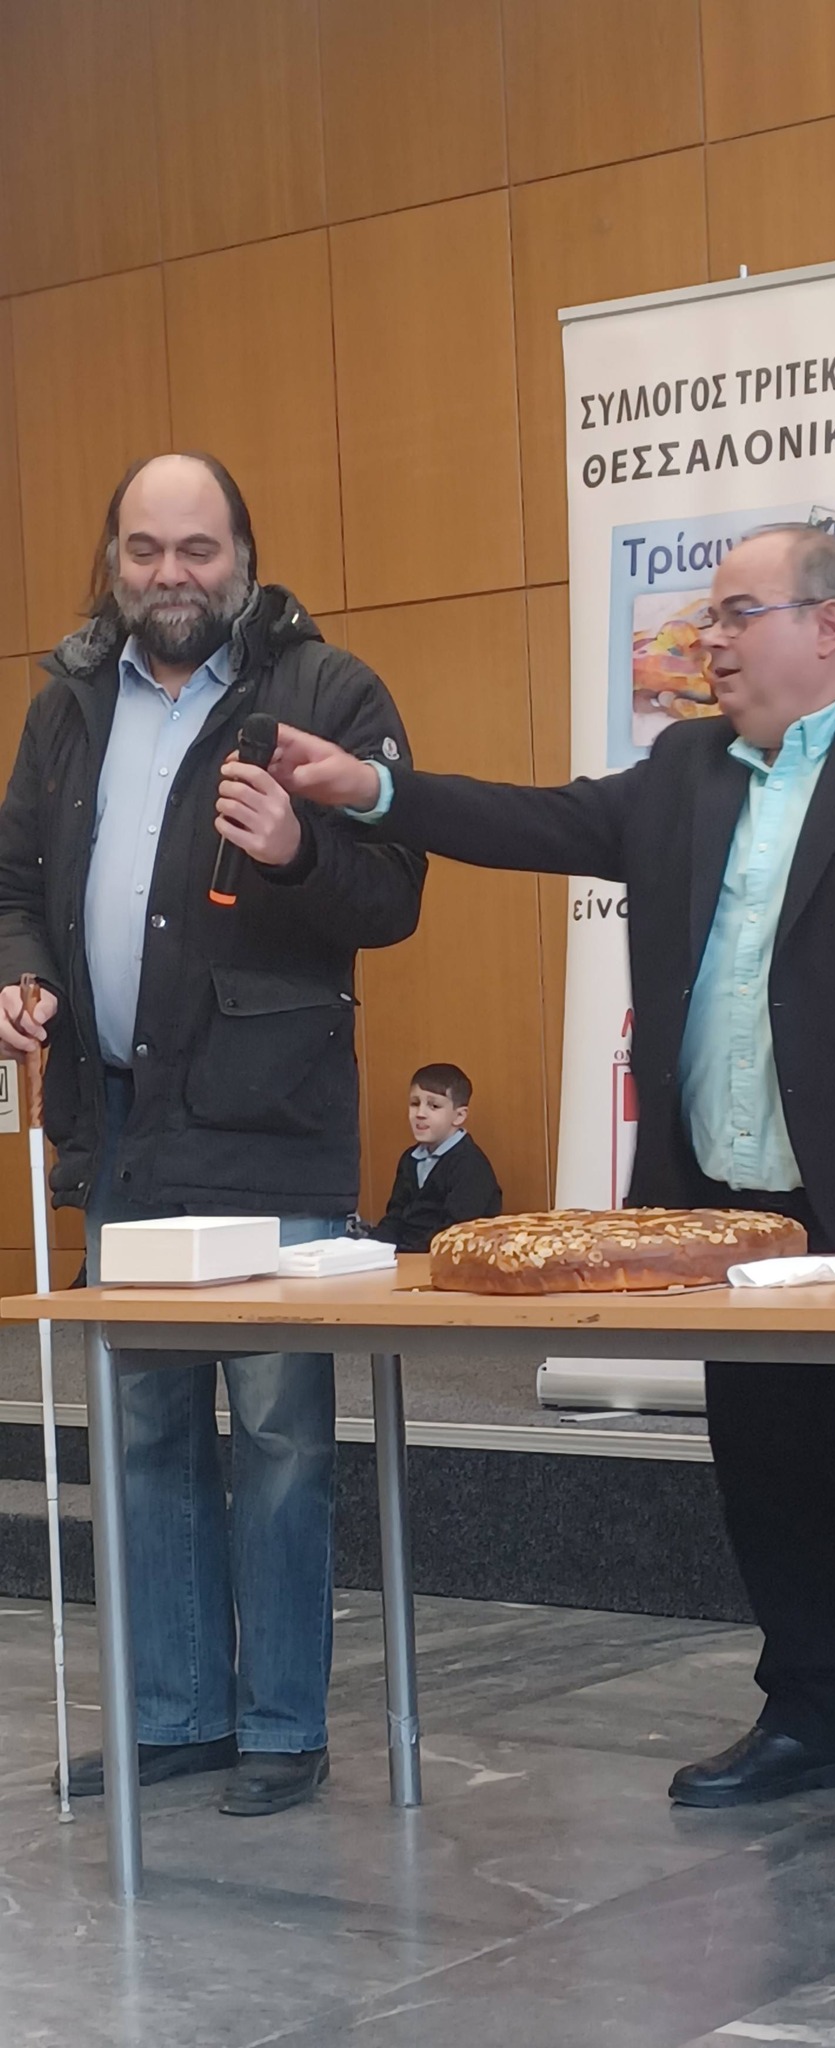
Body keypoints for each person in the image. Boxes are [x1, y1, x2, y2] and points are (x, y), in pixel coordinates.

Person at [269, 522, 835, 1855]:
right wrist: (371, 788)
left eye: (734, 614)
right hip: (727, 1213)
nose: (708, 641)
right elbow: (529, 820)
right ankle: (812, 1715)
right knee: (768, 1471)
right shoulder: (683, 771)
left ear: (829, 626)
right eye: (708, 619)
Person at [0, 452, 425, 1817]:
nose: (170, 574)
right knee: (146, 1430)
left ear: (243, 552)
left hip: (269, 1123)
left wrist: (301, 848)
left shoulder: (326, 690)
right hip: (123, 1123)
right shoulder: (67, 703)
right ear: (114, 558)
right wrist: (20, 971)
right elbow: (13, 884)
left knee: (282, 1435)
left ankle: (283, 1725)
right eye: (145, 549)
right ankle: (177, 1715)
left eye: (197, 548)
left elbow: (396, 893)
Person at [368, 1062, 501, 1252]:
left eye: (434, 1106)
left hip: (445, 1259)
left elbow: (454, 1232)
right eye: (415, 1104)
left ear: (459, 1116)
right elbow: (395, 1217)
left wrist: (408, 1254)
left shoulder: (471, 1165)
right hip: (406, 1256)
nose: (420, 1114)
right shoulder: (409, 1159)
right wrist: (372, 1249)